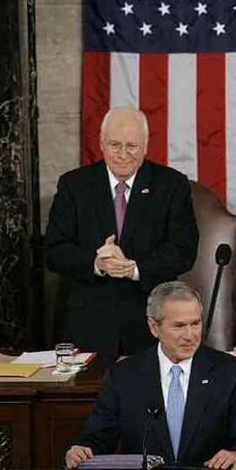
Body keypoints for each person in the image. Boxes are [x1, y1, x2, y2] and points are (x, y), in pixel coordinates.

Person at [46, 107, 199, 355]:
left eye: (132, 146)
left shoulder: (171, 185)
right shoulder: (74, 185)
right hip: (88, 318)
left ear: (146, 146)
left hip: (151, 316)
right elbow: (54, 251)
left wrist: (134, 269)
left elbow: (183, 250)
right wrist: (97, 263)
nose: (124, 154)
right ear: (101, 144)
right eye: (115, 145)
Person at [65, 281, 236, 470]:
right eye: (179, 326)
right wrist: (81, 450)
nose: (190, 335)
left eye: (195, 324)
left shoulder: (231, 372)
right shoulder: (123, 375)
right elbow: (98, 437)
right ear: (154, 327)